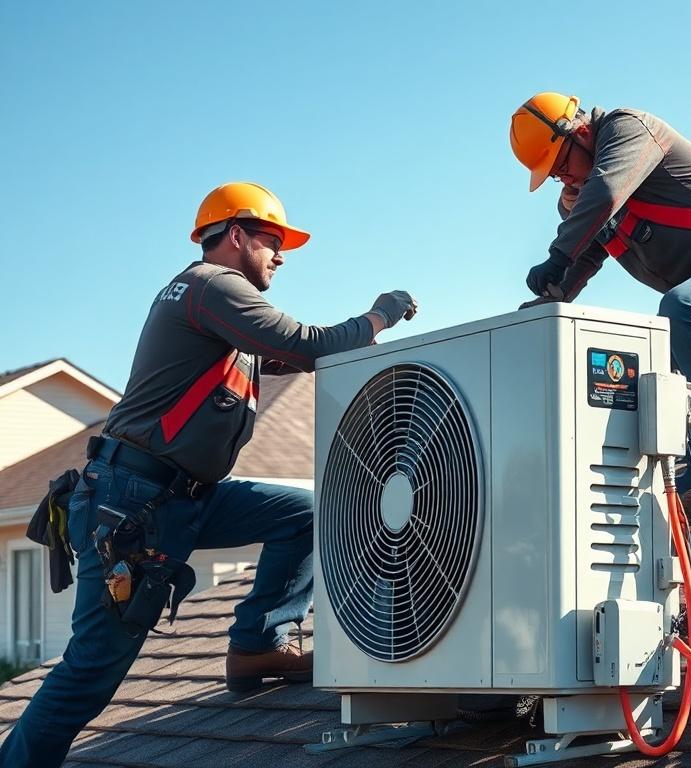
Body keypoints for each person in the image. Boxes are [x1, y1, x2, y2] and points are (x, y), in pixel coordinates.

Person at [0, 182, 418, 767]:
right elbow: (307, 346)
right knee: (91, 671)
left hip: (181, 496)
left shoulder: (209, 306)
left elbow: (279, 356)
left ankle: (256, 646)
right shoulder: (211, 285)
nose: (281, 257)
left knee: (307, 514)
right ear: (236, 235)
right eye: (272, 241)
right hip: (135, 502)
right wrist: (381, 314)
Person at [509, 92, 691, 523]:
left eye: (562, 165)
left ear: (581, 133)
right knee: (670, 382)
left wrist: (556, 254)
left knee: (682, 310)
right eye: (554, 176)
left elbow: (605, 192)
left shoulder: (627, 130)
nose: (564, 179)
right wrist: (551, 301)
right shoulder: (585, 194)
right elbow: (587, 249)